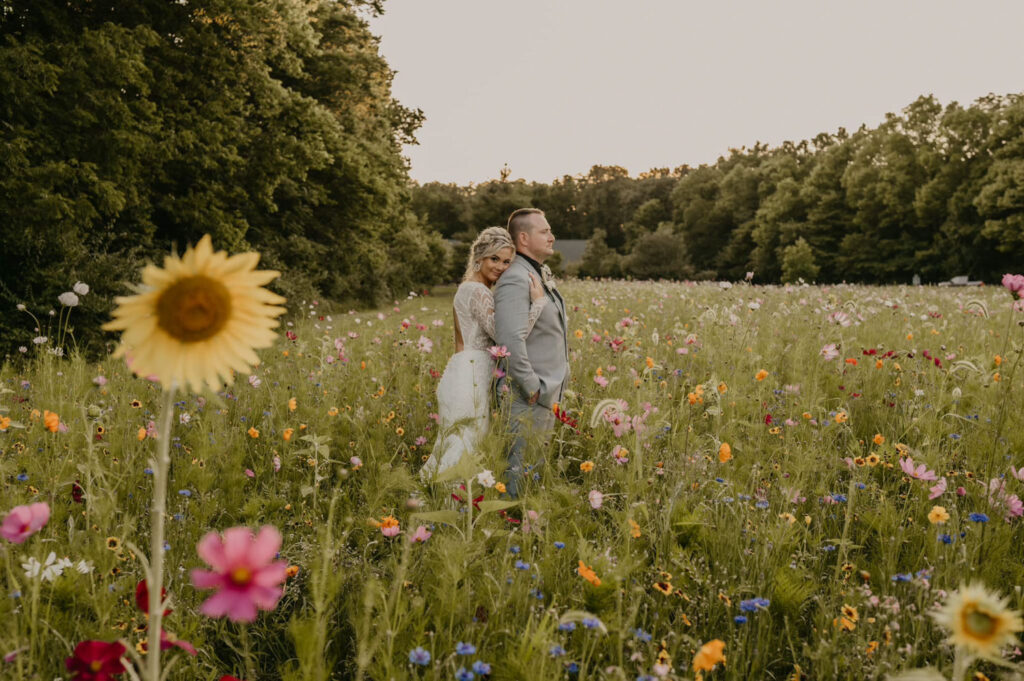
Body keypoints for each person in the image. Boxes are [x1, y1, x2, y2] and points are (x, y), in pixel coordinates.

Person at [421, 227, 546, 480]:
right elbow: (504, 337)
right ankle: (445, 505)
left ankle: (440, 500)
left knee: (456, 444)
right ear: (479, 258)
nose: (500, 266)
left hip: (463, 371)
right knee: (464, 445)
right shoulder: (478, 291)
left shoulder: (467, 287)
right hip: (469, 378)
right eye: (494, 259)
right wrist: (538, 304)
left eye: (506, 261)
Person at [494, 208, 569, 497]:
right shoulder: (516, 278)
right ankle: (511, 532)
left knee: (533, 473)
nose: (552, 236)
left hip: (546, 392)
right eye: (544, 231)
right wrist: (532, 388)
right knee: (518, 476)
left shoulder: (536, 273)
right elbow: (509, 340)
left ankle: (525, 531)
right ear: (523, 238)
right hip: (528, 396)